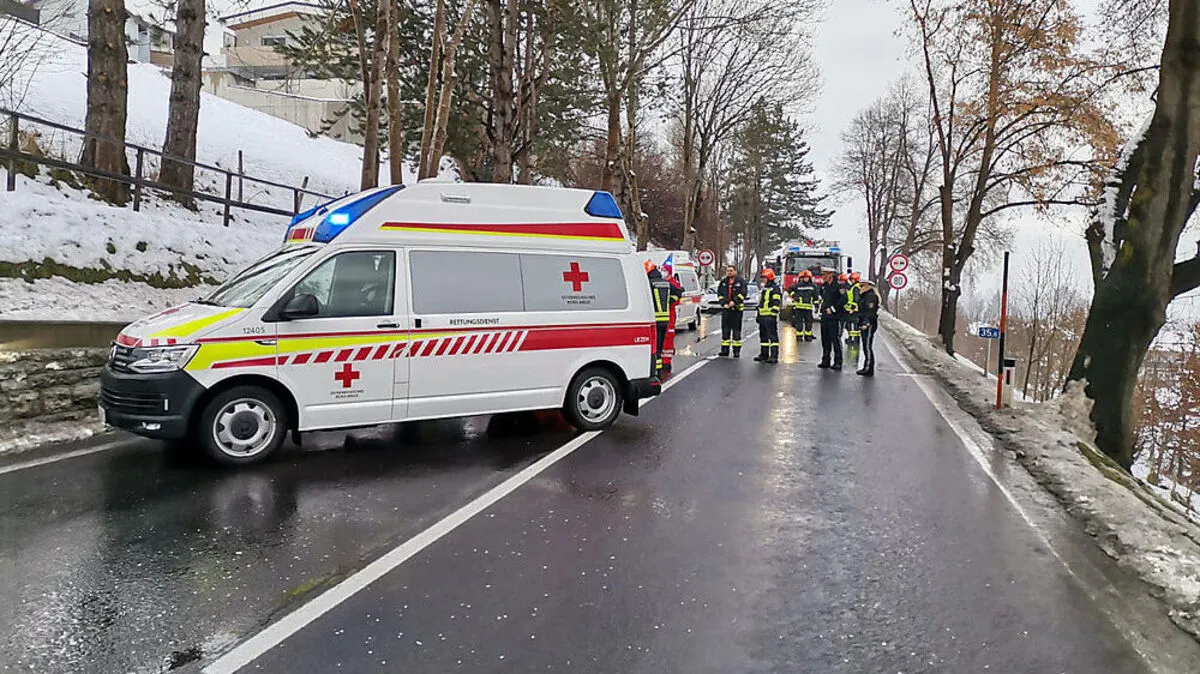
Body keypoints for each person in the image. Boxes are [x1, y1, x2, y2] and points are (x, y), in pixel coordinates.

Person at [646, 261, 677, 376]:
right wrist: (668, 302)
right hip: (666, 319)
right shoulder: (666, 283)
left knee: (656, 346)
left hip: (655, 320)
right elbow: (679, 292)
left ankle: (656, 371)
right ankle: (660, 369)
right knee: (661, 345)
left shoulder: (649, 283)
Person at [717, 265, 747, 358]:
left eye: (731, 271)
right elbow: (720, 294)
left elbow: (743, 293)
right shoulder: (724, 282)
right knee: (725, 331)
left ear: (735, 271)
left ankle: (736, 351)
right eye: (728, 271)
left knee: (736, 331)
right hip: (726, 310)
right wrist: (723, 303)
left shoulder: (740, 281)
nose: (729, 272)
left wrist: (735, 302)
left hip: (737, 310)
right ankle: (724, 350)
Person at [819, 268, 845, 370]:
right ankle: (826, 360)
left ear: (830, 275)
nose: (823, 277)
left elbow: (844, 299)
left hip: (835, 316)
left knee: (835, 339)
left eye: (824, 275)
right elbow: (822, 297)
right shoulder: (824, 286)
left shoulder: (839, 285)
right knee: (825, 339)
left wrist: (833, 309)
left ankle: (838, 361)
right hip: (825, 316)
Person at [755, 268, 782, 363]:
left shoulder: (775, 288)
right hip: (762, 316)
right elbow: (761, 303)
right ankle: (764, 354)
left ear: (769, 278)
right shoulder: (764, 288)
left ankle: (774, 356)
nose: (762, 279)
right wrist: (758, 315)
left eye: (764, 277)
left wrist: (772, 315)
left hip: (770, 316)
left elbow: (776, 302)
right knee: (763, 337)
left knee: (772, 337)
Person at [856, 277, 881, 376]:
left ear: (868, 286)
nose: (860, 287)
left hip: (869, 323)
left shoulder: (870, 296)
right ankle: (867, 366)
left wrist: (866, 323)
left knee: (867, 346)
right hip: (864, 322)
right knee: (865, 346)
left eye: (862, 285)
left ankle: (869, 368)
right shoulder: (864, 296)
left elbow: (870, 312)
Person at [787, 270, 817, 342]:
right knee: (799, 323)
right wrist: (793, 295)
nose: (806, 279)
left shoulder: (813, 286)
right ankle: (799, 336)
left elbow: (815, 296)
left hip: (808, 308)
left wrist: (816, 305)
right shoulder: (797, 285)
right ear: (801, 278)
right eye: (804, 277)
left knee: (809, 323)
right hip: (799, 308)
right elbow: (789, 289)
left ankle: (808, 336)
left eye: (807, 277)